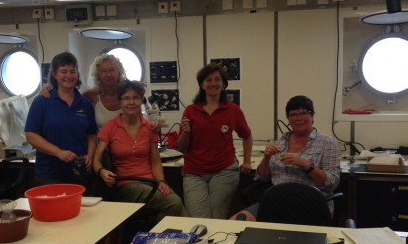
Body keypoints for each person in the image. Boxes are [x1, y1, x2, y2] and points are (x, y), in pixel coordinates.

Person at [229, 95, 341, 221]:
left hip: (309, 205)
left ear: (312, 116)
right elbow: (262, 177)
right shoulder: (280, 142)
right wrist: (266, 158)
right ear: (288, 118)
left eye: (303, 113)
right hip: (276, 203)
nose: (298, 118)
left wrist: (306, 166)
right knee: (235, 223)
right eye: (293, 114)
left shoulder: (328, 143)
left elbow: (331, 183)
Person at [93, 79, 188, 222]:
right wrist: (102, 171)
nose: (131, 102)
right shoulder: (110, 127)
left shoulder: (150, 127)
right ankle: (171, 239)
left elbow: (155, 162)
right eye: (126, 98)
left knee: (176, 204)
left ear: (141, 100)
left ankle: (166, 239)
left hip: (151, 182)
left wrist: (162, 182)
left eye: (135, 98)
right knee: (173, 202)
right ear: (120, 102)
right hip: (126, 185)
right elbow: (96, 160)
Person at [176, 63, 253, 219]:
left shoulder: (232, 110)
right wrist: (185, 132)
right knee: (198, 217)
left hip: (224, 171)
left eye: (217, 80)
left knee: (217, 216)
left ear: (223, 84)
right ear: (202, 84)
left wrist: (247, 161)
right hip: (194, 172)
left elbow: (247, 135)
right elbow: (181, 147)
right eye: (208, 80)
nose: (213, 83)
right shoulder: (191, 111)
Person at [25, 52, 97, 194]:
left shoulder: (86, 104)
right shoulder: (42, 101)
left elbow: (91, 136)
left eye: (72, 71)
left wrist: (90, 155)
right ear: (55, 75)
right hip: (50, 174)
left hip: (80, 173)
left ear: (77, 74)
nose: (68, 76)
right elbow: (31, 136)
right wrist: (58, 152)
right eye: (63, 71)